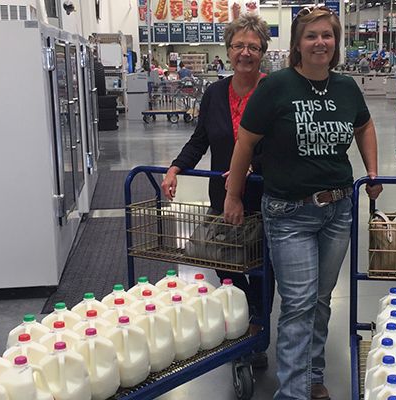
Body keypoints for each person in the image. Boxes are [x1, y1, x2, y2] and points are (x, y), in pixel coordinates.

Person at [223, 6, 382, 399]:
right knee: (297, 304)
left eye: (327, 35)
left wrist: (373, 171)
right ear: (297, 44)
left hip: (338, 210)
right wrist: (233, 194)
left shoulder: (346, 87)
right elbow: (245, 142)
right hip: (289, 213)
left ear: (336, 42)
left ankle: (312, 376)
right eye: (311, 36)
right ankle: (292, 392)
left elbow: (364, 126)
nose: (320, 42)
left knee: (322, 300)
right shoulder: (276, 86)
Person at [160, 14, 273, 368]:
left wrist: (252, 169)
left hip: (265, 197)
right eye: (238, 45)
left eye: (252, 47)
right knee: (228, 266)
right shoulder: (213, 94)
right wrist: (176, 167)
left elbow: (282, 146)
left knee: (263, 269)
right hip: (222, 199)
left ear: (262, 52)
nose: (245, 52)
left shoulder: (274, 90)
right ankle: (242, 322)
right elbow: (200, 140)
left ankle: (257, 330)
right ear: (227, 50)